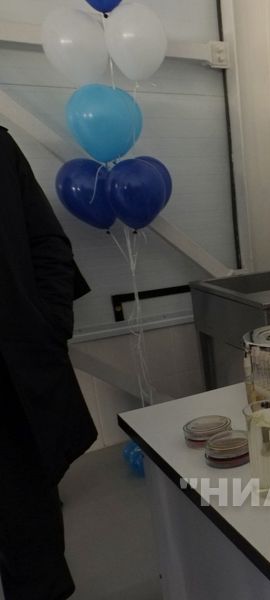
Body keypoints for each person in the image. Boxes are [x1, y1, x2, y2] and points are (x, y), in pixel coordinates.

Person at [0, 126, 96, 599]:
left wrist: (51, 323)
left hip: (11, 380)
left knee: (31, 537)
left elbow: (47, 242)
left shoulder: (0, 147)